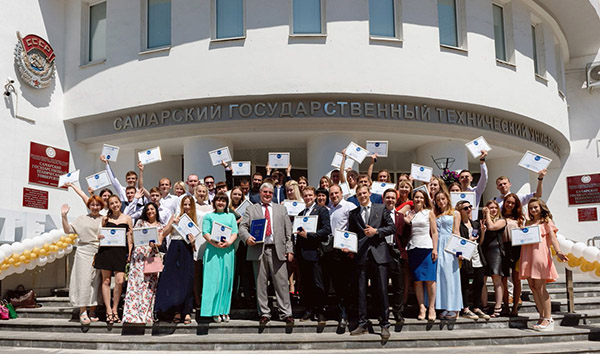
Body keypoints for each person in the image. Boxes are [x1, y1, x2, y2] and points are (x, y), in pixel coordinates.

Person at [238, 183, 294, 325]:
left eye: (270, 192)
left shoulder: (281, 209)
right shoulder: (252, 209)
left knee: (281, 283)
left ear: (273, 194)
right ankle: (264, 312)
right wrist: (247, 237)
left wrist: (290, 249)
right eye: (265, 192)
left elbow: (289, 231)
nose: (267, 194)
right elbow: (242, 226)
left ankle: (286, 313)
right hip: (258, 249)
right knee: (260, 283)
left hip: (278, 250)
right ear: (260, 193)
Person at [348, 185, 395, 341]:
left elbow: (392, 228)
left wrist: (377, 231)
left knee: (382, 290)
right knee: (361, 292)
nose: (362, 196)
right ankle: (362, 323)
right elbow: (352, 234)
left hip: (379, 255)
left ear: (369, 193)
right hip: (361, 255)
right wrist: (347, 246)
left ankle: (385, 324)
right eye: (359, 194)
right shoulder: (353, 214)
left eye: (364, 193)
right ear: (356, 196)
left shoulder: (381, 208)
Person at [520, 198, 568, 331]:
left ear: (541, 208)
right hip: (527, 254)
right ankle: (541, 316)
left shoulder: (546, 221)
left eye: (535, 207)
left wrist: (558, 252)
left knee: (541, 287)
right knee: (533, 287)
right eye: (531, 208)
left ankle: (548, 317)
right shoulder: (528, 222)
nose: (533, 210)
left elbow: (553, 238)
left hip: (539, 255)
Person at [61, 196, 104, 325]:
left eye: (98, 205)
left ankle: (93, 310)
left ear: (101, 206)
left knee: (96, 281)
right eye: (92, 205)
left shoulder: (105, 219)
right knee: (83, 280)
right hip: (84, 251)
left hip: (99, 251)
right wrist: (63, 216)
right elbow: (68, 230)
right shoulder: (82, 218)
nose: (95, 207)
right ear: (88, 206)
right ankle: (82, 310)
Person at [156, 196, 197, 324]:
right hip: (174, 247)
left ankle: (187, 311)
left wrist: (193, 241)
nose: (186, 207)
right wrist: (174, 223)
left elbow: (195, 243)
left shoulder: (194, 220)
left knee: (187, 279)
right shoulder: (175, 217)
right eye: (184, 204)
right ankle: (176, 311)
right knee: (174, 280)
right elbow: (164, 233)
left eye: (189, 205)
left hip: (186, 249)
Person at [122, 202, 163, 324]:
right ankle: (132, 316)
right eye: (148, 209)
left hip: (150, 258)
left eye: (152, 209)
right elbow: (133, 237)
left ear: (156, 210)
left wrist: (154, 244)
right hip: (138, 256)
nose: (150, 211)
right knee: (135, 285)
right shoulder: (140, 223)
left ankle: (145, 315)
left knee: (149, 287)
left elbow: (160, 242)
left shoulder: (161, 226)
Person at [95, 195, 133, 324]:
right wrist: (99, 236)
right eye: (112, 203)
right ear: (109, 205)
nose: (115, 205)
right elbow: (99, 234)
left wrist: (130, 252)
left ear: (120, 203)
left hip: (121, 253)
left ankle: (115, 309)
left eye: (116, 202)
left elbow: (130, 237)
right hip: (106, 252)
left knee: (119, 281)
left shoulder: (127, 218)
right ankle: (108, 311)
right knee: (105, 281)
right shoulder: (105, 218)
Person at [296, 186, 331, 324]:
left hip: (316, 253)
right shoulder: (301, 213)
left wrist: (309, 235)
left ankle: (320, 311)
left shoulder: (322, 210)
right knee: (307, 283)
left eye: (310, 195)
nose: (308, 197)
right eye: (305, 195)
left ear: (315, 196)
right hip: (303, 254)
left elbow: (326, 229)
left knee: (318, 284)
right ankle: (309, 309)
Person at [201, 193, 238, 322]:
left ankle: (224, 310)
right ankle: (213, 311)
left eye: (223, 201)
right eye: (218, 200)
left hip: (227, 251)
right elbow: (205, 232)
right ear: (214, 202)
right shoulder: (208, 216)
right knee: (213, 281)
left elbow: (235, 232)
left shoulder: (231, 216)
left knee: (226, 281)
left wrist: (229, 242)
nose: (221, 203)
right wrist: (214, 243)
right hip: (213, 251)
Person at [326, 184, 357, 327]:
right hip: (333, 251)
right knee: (338, 285)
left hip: (346, 251)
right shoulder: (329, 208)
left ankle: (348, 313)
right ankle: (342, 313)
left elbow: (355, 227)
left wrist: (351, 248)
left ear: (341, 193)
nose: (334, 196)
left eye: (336, 193)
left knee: (348, 284)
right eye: (331, 194)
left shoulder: (349, 206)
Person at [406, 189, 438, 321]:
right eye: (416, 197)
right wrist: (407, 220)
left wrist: (435, 249)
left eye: (420, 197)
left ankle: (431, 307)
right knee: (417, 280)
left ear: (424, 199)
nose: (418, 199)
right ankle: (421, 307)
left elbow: (435, 232)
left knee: (430, 280)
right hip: (413, 247)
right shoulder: (410, 213)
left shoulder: (429, 213)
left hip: (427, 248)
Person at [456, 200, 489, 321]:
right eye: (465, 208)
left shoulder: (475, 224)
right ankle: (465, 308)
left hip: (477, 256)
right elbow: (458, 242)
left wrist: (483, 232)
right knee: (465, 283)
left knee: (479, 282)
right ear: (460, 211)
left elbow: (479, 242)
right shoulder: (458, 226)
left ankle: (476, 307)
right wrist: (468, 240)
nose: (469, 209)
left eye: (470, 207)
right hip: (465, 257)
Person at [382, 188, 411, 323]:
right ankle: (383, 312)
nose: (390, 200)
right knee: (382, 285)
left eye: (393, 198)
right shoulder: (378, 215)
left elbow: (406, 236)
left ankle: (398, 312)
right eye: (388, 197)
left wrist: (408, 224)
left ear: (396, 200)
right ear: (383, 199)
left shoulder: (400, 217)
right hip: (381, 254)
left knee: (398, 286)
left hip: (396, 253)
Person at [433, 190, 462, 319]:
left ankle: (454, 307)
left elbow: (456, 232)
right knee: (440, 276)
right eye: (438, 200)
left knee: (450, 275)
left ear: (447, 199)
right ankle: (444, 305)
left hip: (450, 245)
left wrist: (459, 250)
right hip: (438, 244)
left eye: (443, 199)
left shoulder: (455, 213)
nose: (441, 202)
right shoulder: (436, 215)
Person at [481, 200, 507, 318]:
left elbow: (492, 227)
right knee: (483, 280)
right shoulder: (482, 222)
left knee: (497, 279)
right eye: (490, 208)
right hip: (484, 250)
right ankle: (484, 306)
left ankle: (498, 306)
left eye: (495, 208)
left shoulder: (502, 220)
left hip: (496, 251)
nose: (493, 210)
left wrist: (487, 215)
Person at [501, 193, 525, 316]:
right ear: (504, 203)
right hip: (503, 248)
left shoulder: (520, 218)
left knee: (516, 280)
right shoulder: (500, 216)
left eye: (512, 203)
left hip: (517, 249)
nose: (510, 205)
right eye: (508, 202)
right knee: (504, 279)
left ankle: (515, 307)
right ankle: (505, 306)